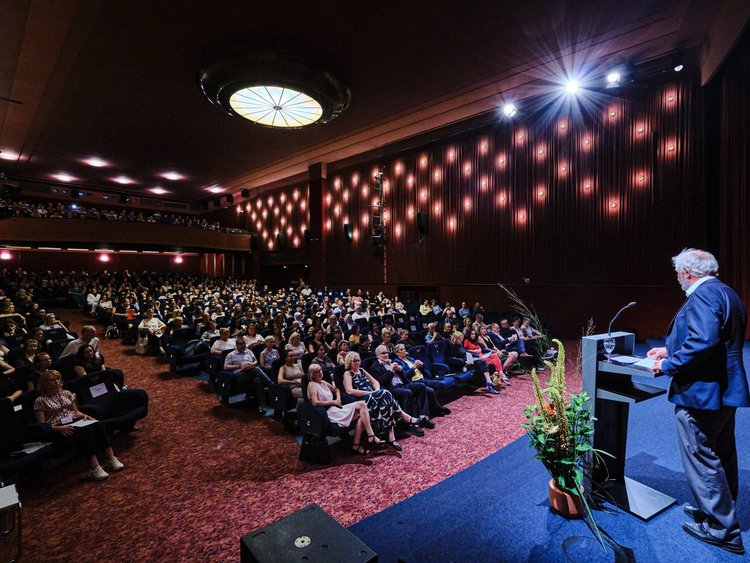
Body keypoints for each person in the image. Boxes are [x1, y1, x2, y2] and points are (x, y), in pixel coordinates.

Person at [647, 248, 748, 555]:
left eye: (678, 272)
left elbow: (703, 341)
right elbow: (714, 338)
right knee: (721, 452)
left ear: (688, 272)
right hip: (723, 389)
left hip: (703, 392)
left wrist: (667, 365)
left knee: (701, 456)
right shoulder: (726, 291)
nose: (678, 277)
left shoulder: (701, 295)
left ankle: (722, 530)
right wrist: (670, 350)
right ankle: (716, 510)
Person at [34, 370, 124, 481]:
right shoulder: (40, 400)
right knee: (86, 432)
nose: (57, 382)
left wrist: (85, 416)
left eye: (58, 379)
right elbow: (42, 425)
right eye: (53, 380)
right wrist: (58, 428)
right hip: (59, 428)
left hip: (74, 421)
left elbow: (75, 412)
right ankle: (95, 467)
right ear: (45, 383)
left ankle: (111, 458)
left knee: (97, 425)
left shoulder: (66, 393)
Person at [342, 351, 423, 451]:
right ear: (349, 362)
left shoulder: (362, 370)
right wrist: (369, 393)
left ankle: (392, 436)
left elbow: (375, 382)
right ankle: (404, 418)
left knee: (387, 401)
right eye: (355, 361)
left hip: (374, 396)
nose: (358, 363)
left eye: (359, 360)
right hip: (363, 400)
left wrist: (376, 391)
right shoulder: (348, 373)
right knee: (385, 393)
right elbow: (349, 391)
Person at [306, 364, 384, 454]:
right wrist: (333, 402)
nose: (320, 372)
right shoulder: (312, 385)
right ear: (312, 374)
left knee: (362, 406)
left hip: (336, 408)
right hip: (328, 412)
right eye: (317, 371)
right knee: (361, 414)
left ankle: (363, 440)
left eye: (320, 370)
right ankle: (363, 441)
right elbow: (315, 403)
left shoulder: (323, 382)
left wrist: (338, 399)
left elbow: (337, 390)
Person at [223, 337, 273, 414]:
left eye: (244, 344)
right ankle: (271, 385)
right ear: (236, 345)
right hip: (240, 374)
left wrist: (250, 364)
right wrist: (240, 366)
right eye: (241, 344)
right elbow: (226, 367)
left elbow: (255, 361)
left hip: (251, 371)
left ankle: (263, 405)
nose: (243, 345)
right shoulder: (231, 355)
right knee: (256, 370)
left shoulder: (249, 351)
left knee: (257, 380)